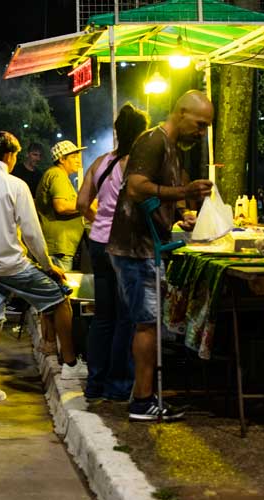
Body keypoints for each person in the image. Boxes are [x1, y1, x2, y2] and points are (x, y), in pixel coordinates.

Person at [0, 131, 88, 405]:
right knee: (60, 298)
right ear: (10, 155)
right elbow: (31, 232)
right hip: (15, 265)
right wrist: (48, 264)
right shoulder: (16, 185)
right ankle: (70, 363)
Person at [107, 90, 214, 421]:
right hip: (135, 248)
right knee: (147, 324)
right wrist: (184, 192)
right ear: (181, 113)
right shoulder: (153, 141)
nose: (201, 133)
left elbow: (157, 195)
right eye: (199, 125)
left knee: (148, 323)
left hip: (146, 247)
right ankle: (142, 401)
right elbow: (137, 187)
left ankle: (144, 394)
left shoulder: (172, 148)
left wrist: (179, 212)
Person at [77, 102, 149, 402]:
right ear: (143, 133)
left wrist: (100, 222)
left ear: (118, 132)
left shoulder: (100, 163)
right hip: (126, 247)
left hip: (98, 244)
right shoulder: (141, 167)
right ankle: (118, 385)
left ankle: (95, 383)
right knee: (126, 318)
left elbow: (82, 204)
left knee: (103, 316)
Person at [35, 140, 87, 359]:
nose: (78, 159)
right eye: (73, 156)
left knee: (52, 298)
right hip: (58, 246)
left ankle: (49, 345)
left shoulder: (58, 176)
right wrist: (87, 204)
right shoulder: (57, 175)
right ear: (62, 159)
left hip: (57, 245)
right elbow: (62, 206)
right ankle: (60, 351)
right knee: (59, 299)